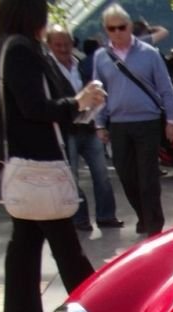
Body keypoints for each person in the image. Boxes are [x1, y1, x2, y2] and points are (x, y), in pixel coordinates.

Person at [0, 0, 105, 312]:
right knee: (65, 243)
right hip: (37, 159)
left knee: (24, 239)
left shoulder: (1, 48)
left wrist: (77, 106)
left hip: (18, 160)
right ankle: (96, 311)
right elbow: (35, 108)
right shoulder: (21, 49)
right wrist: (78, 103)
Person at [92, 3, 173, 236]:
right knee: (126, 176)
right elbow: (97, 93)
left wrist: (171, 119)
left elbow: (166, 89)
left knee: (148, 177)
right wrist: (99, 123)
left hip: (147, 122)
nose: (118, 32)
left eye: (122, 27)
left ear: (130, 26)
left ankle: (153, 226)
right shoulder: (101, 57)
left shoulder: (149, 53)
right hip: (118, 124)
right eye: (112, 29)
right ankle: (143, 215)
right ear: (106, 30)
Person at [45, 24, 123, 233]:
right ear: (49, 45)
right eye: (58, 44)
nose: (63, 48)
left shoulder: (79, 64)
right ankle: (80, 219)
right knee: (71, 178)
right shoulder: (46, 69)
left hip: (88, 127)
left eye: (66, 44)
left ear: (73, 43)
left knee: (102, 175)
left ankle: (106, 216)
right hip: (66, 130)